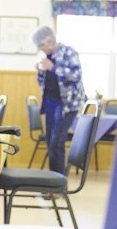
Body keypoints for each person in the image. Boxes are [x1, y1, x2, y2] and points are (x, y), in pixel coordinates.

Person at [31, 25, 86, 174]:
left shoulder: (69, 52)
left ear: (49, 41)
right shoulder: (48, 58)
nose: (40, 49)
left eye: (41, 46)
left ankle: (59, 184)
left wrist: (53, 68)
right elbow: (43, 83)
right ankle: (53, 182)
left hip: (67, 105)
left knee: (57, 143)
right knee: (50, 143)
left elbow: (76, 76)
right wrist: (41, 73)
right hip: (50, 103)